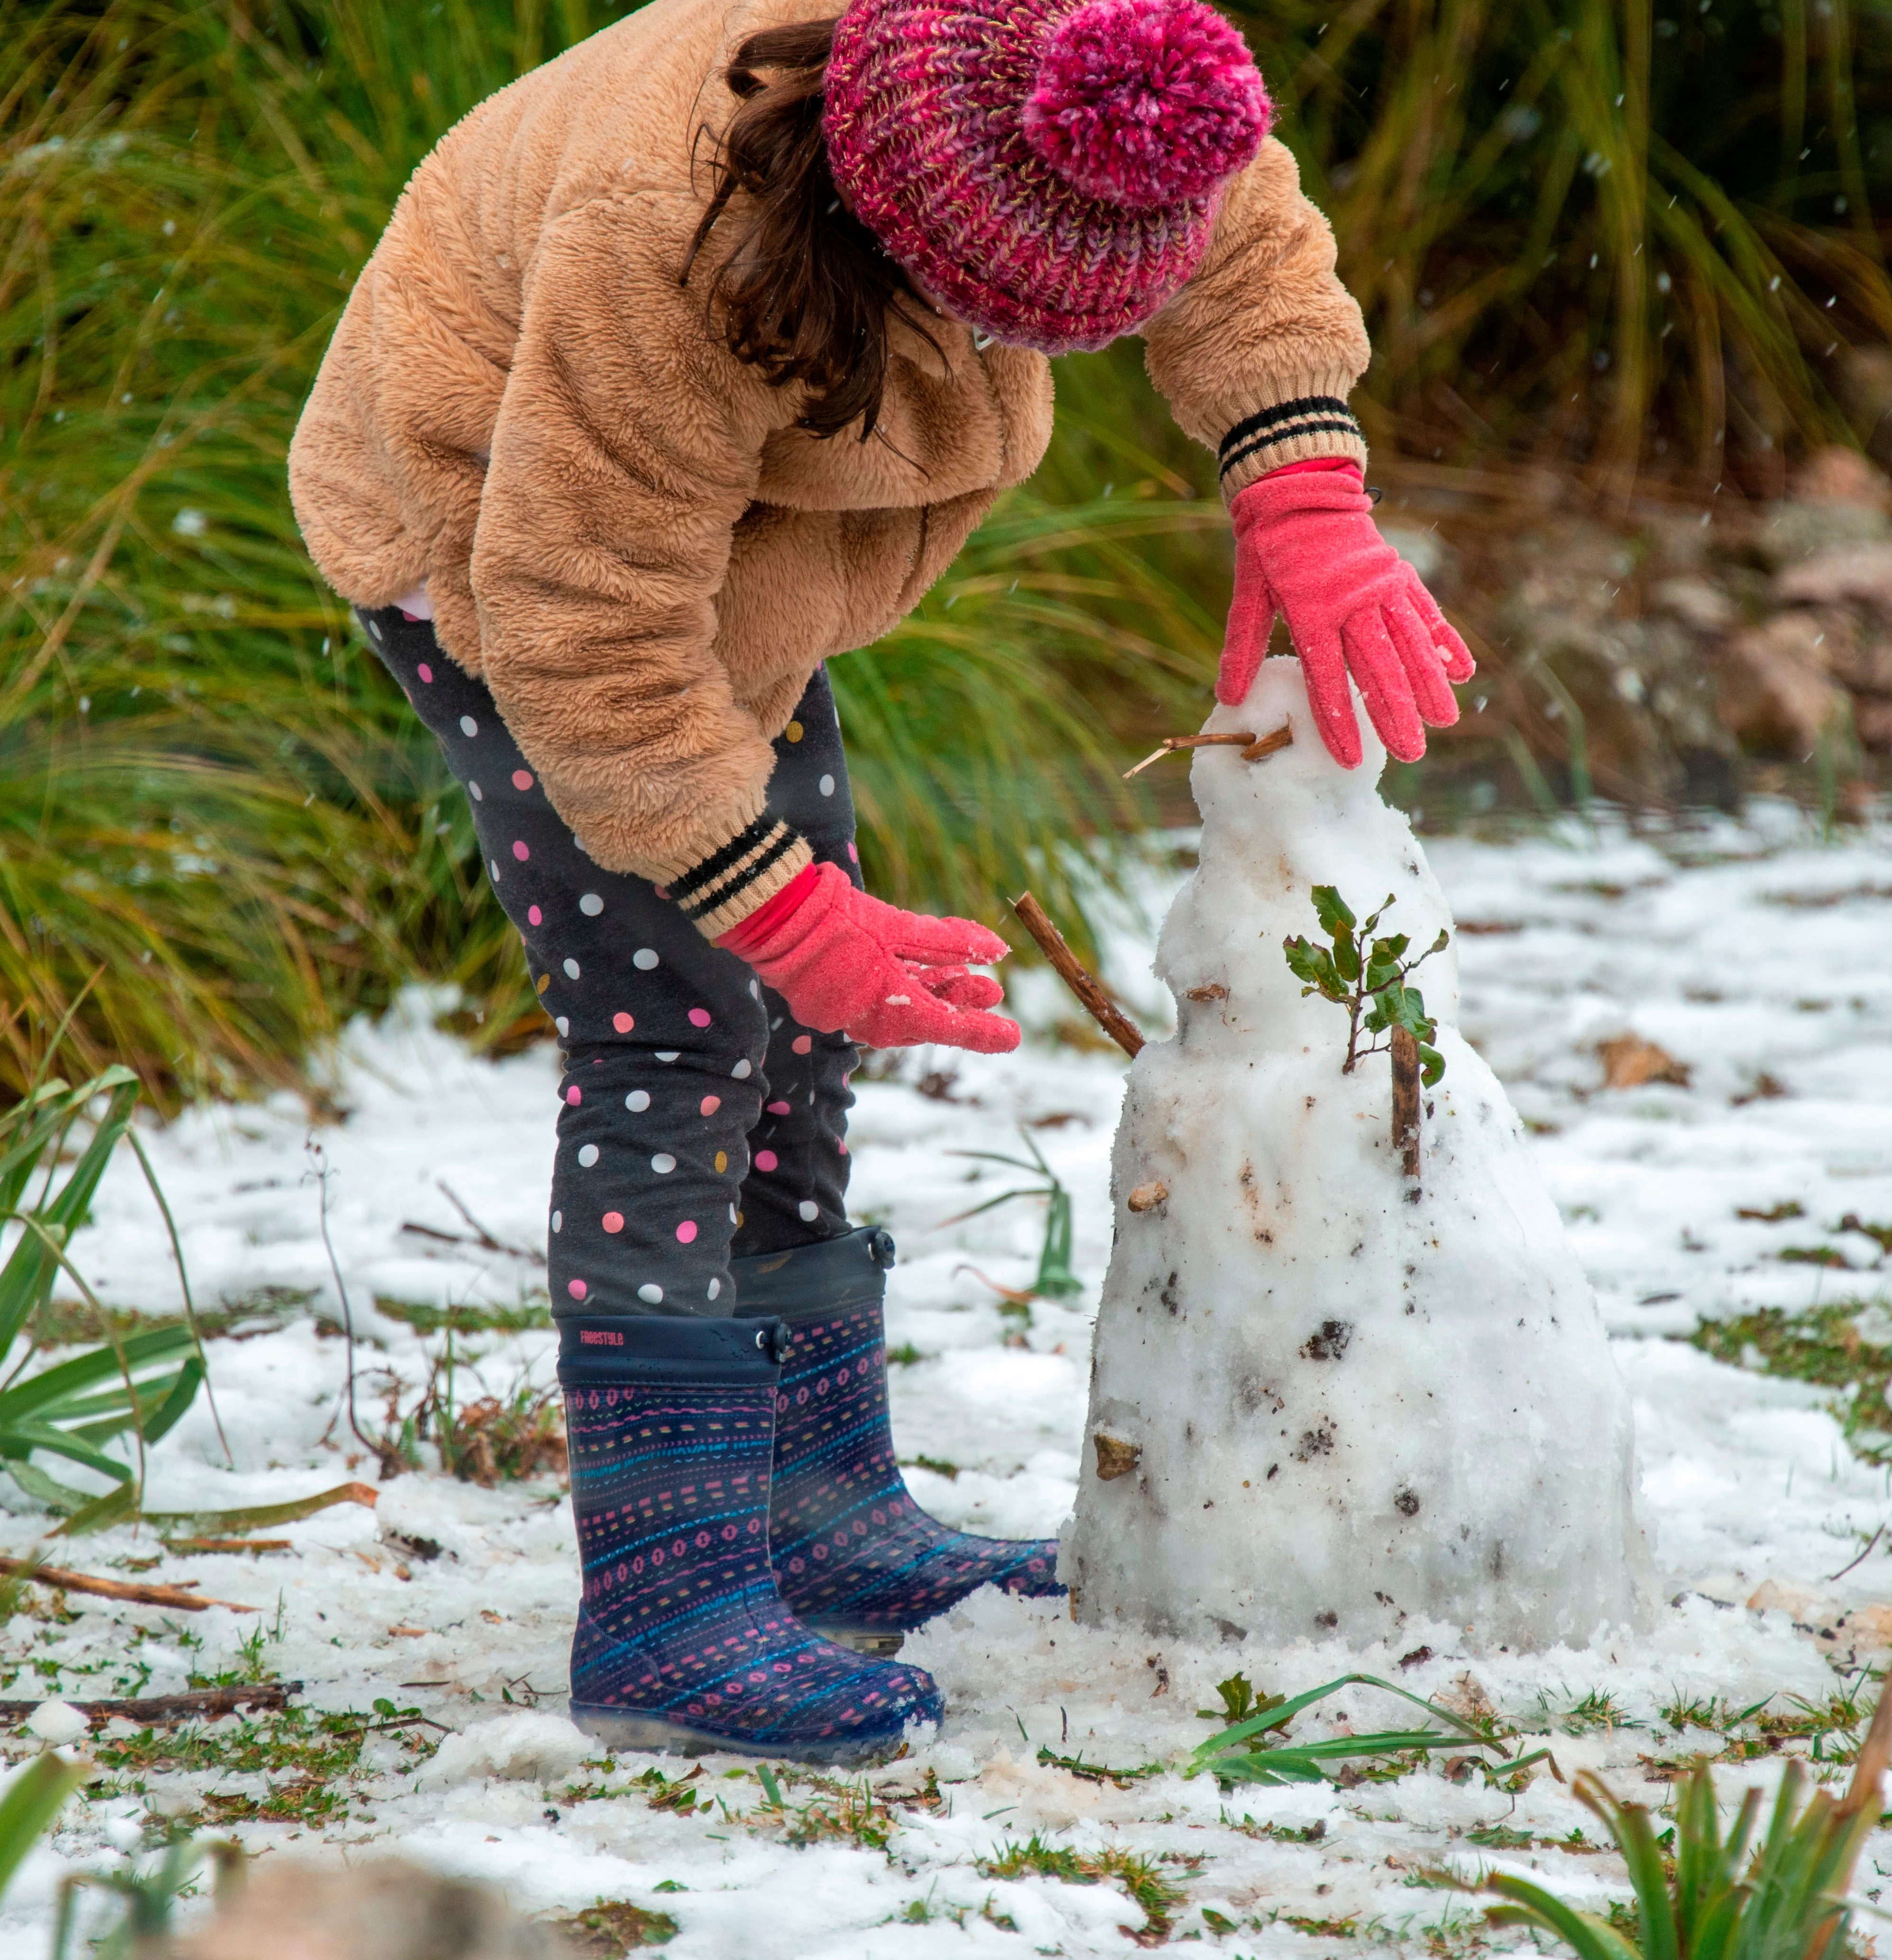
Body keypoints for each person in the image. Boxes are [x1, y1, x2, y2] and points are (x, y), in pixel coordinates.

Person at [290, 0, 1471, 1765]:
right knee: (678, 1022)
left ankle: (818, 1507)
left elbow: (1234, 212)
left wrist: (1300, 474)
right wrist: (776, 911)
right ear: (899, 234)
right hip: (495, 537)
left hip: (734, 548)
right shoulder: (671, 240)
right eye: (1010, 320)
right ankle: (673, 1593)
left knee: (808, 1008)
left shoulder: (1075, 57)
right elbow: (584, 637)